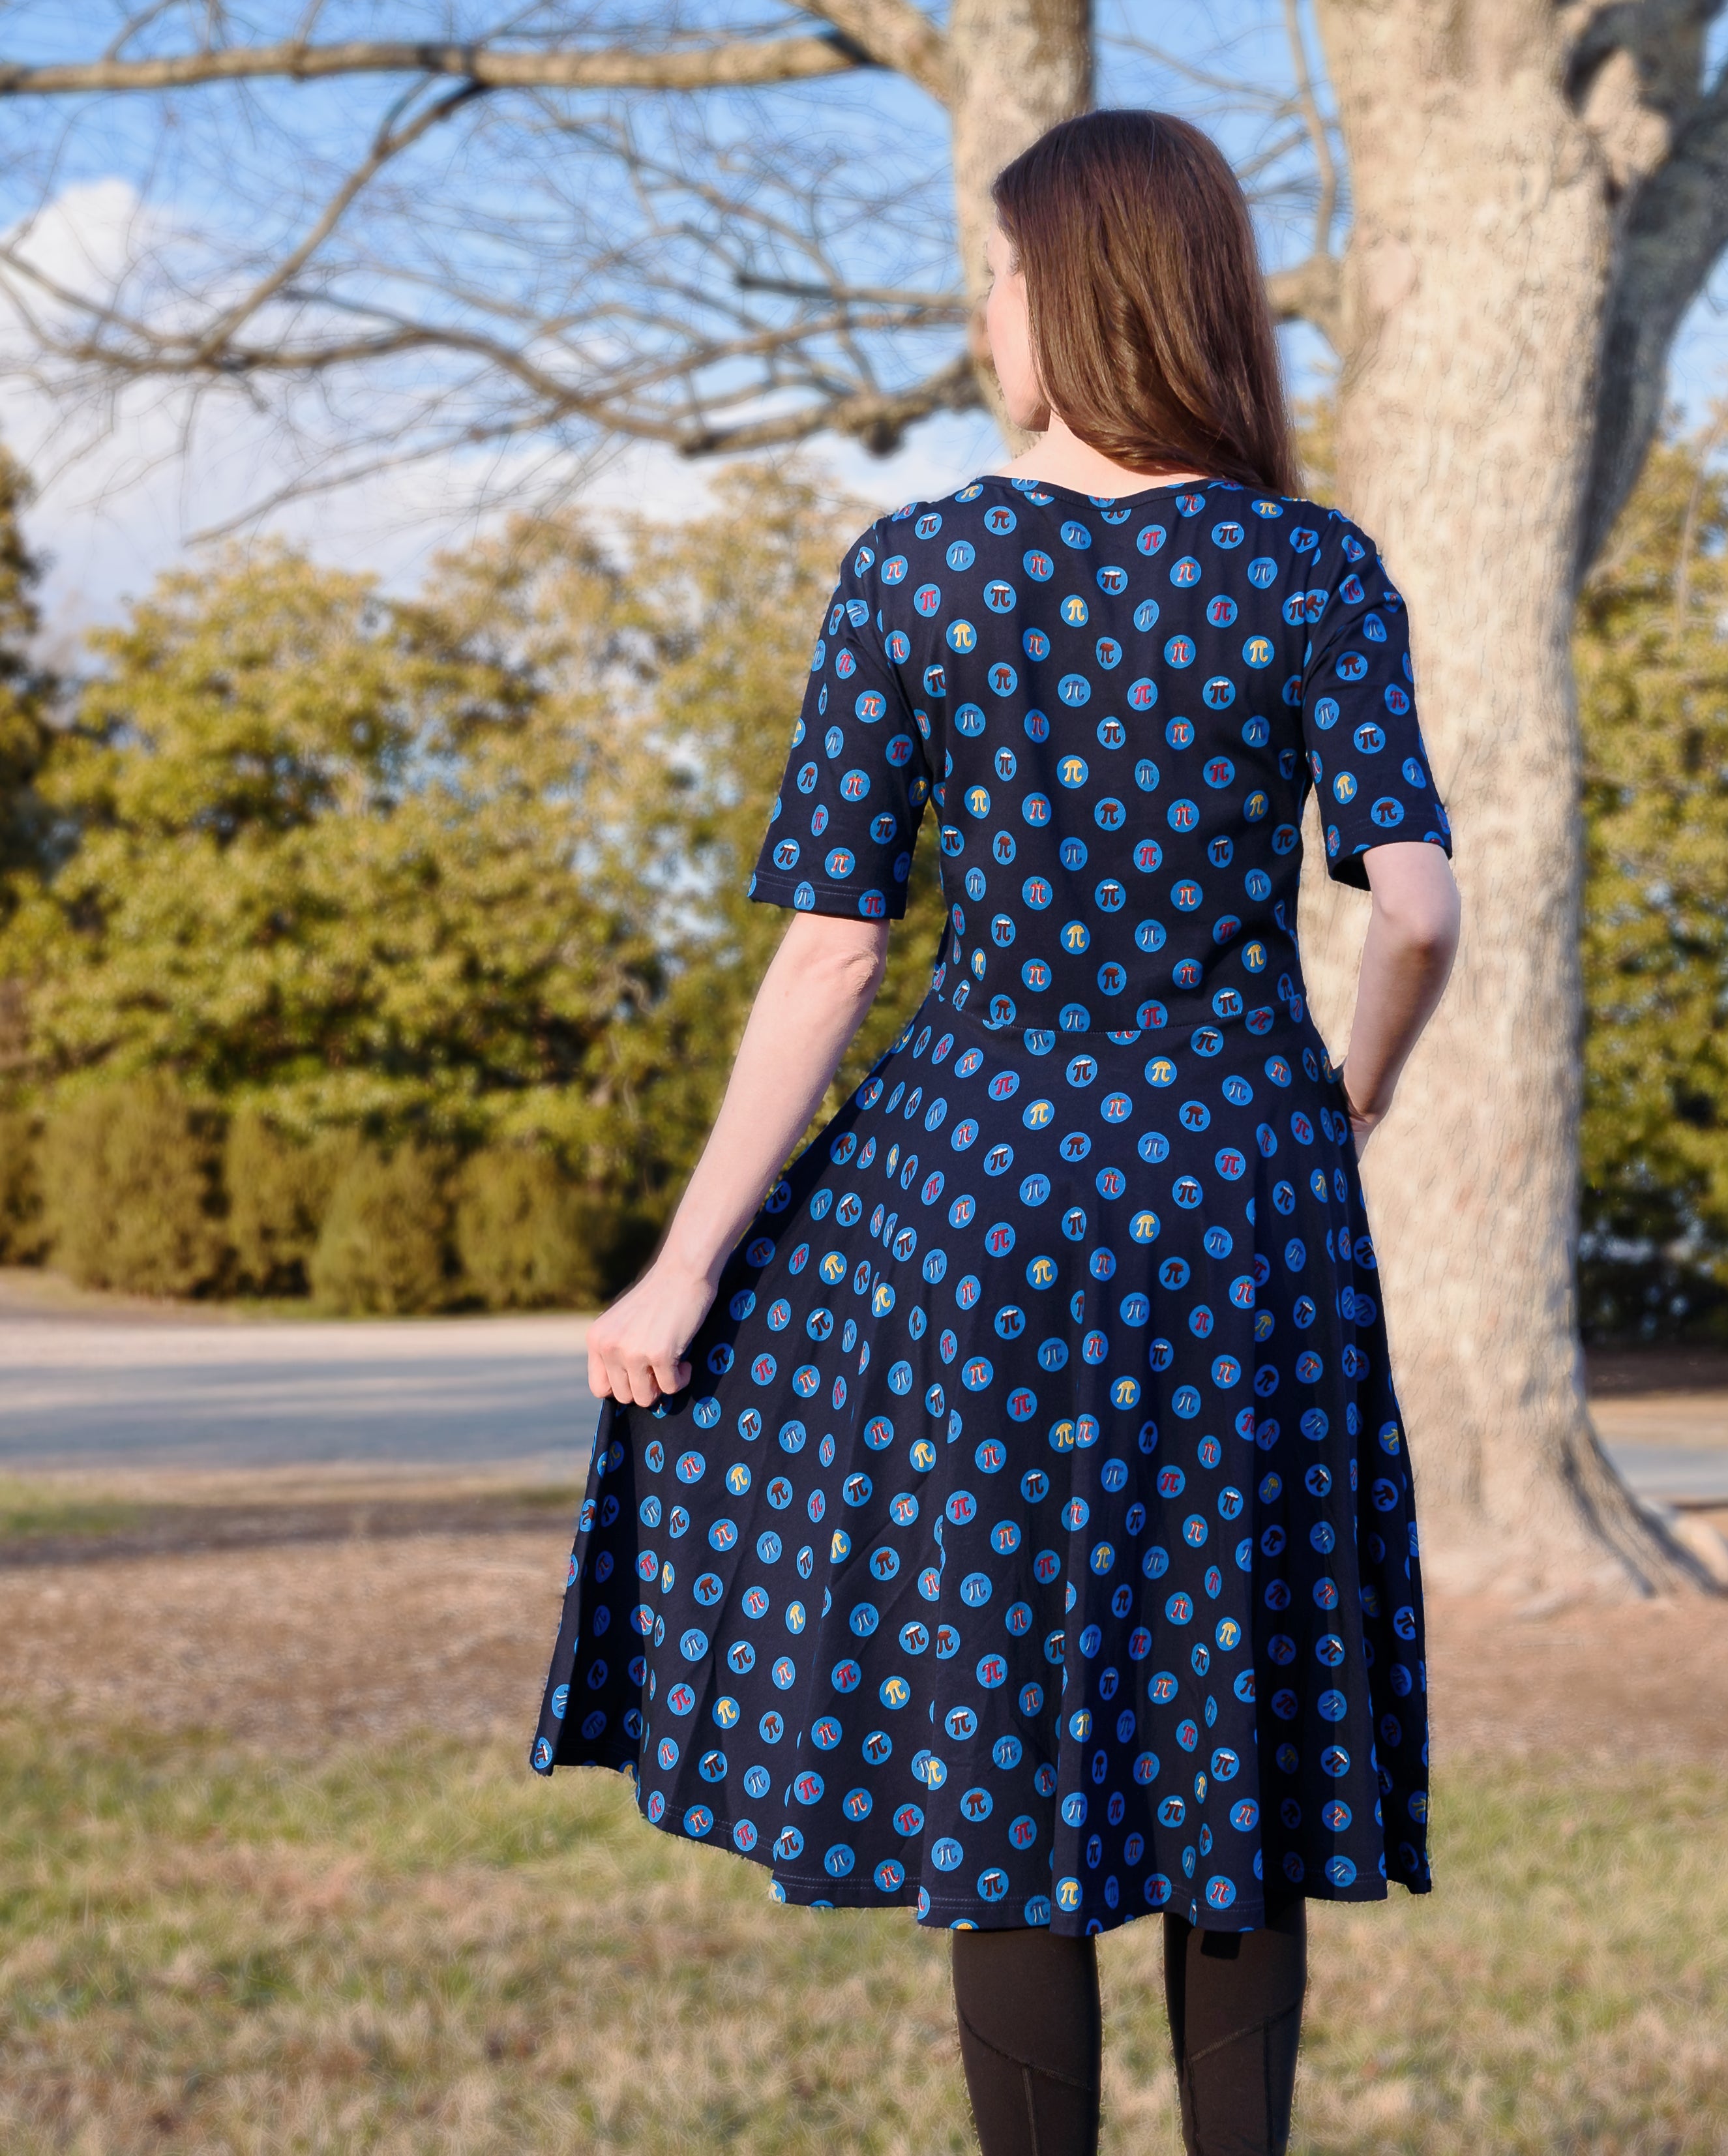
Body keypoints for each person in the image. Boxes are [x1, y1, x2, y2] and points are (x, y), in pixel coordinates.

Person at [531, 107, 1461, 2156]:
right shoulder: (1313, 567)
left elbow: (831, 954)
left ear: (1075, 295)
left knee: (1003, 1736)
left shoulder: (919, 567)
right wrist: (1353, 1091)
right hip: (1241, 1189)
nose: (979, 315)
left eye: (997, 275)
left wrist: (684, 1266)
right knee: (1234, 1709)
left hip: (980, 1195)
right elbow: (1412, 908)